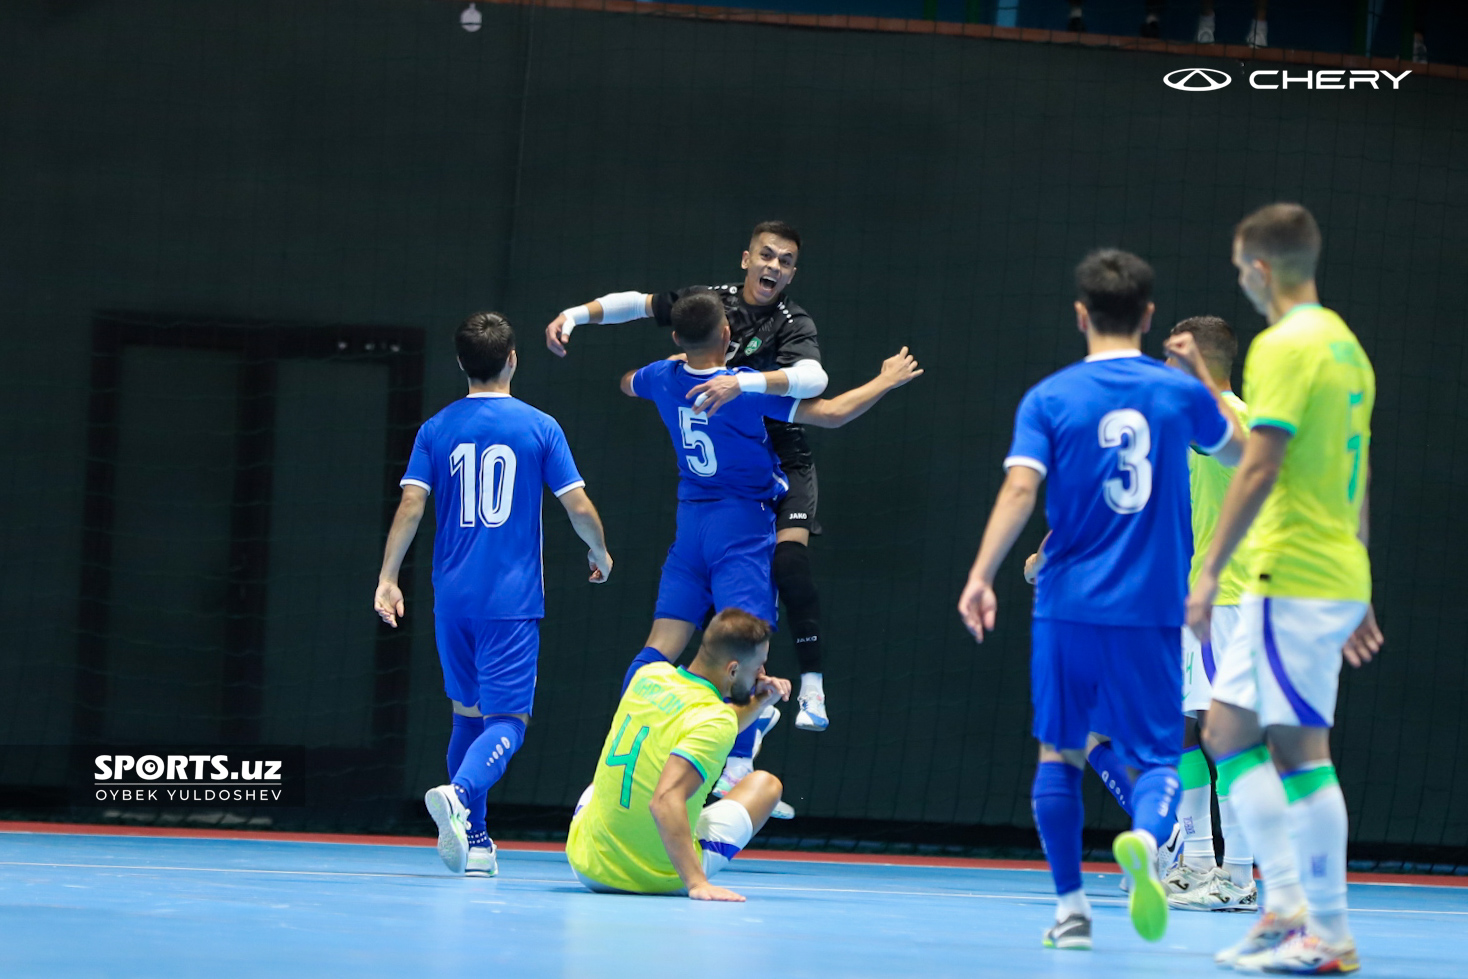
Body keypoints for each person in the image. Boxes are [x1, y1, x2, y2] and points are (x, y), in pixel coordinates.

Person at [957, 249, 1245, 950]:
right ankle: (1151, 838)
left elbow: (1022, 490)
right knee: (1157, 756)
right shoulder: (1180, 396)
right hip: (1153, 607)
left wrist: (980, 574)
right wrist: (1205, 387)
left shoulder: (1050, 397)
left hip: (1069, 602)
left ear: (1081, 315)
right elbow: (1244, 453)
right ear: (1150, 318)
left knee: (1061, 753)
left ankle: (1072, 911)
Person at [619, 290, 921, 805]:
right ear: (728, 336)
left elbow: (626, 383)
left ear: (676, 338)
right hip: (740, 528)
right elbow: (831, 413)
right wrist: (885, 381)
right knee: (745, 651)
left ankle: (624, 753)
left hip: (690, 526)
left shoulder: (661, 378)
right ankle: (737, 757)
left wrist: (669, 365)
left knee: (658, 649)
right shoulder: (742, 392)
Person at [1188, 203, 1382, 973]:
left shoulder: (1284, 345)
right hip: (1326, 572)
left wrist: (1208, 569)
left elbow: (1261, 463)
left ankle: (1323, 931)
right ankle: (1285, 910)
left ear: (1261, 270)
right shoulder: (1348, 349)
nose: (1243, 282)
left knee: (1301, 753)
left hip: (1291, 573)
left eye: (1241, 270)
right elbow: (1355, 473)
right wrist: (1362, 579)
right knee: (1227, 732)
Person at [546, 222, 834, 734]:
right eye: (766, 255)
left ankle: (807, 687)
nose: (773, 266)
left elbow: (814, 380)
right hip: (740, 494)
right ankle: (739, 751)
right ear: (745, 259)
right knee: (738, 643)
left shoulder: (781, 326)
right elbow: (640, 303)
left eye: (785, 261)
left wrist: (738, 381)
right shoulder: (712, 307)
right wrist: (574, 315)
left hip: (735, 481)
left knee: (778, 573)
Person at [374, 312, 613, 878]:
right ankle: (460, 797)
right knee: (509, 721)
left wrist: (388, 576)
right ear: (512, 359)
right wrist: (600, 551)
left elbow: (411, 505)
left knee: (466, 715)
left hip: (451, 595)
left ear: (461, 364)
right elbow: (577, 505)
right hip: (510, 600)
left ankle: (477, 841)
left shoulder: (435, 428)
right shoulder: (539, 427)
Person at [567, 608, 790, 899]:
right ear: (733, 670)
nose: (762, 673)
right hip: (661, 877)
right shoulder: (716, 720)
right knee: (766, 785)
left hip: (588, 867)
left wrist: (759, 701)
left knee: (602, 786)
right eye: (759, 665)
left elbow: (711, 722)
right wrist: (698, 884)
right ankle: (684, 864)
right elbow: (663, 801)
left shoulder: (648, 676)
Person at [1162, 316, 1258, 912]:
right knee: (1184, 729)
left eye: (1173, 359)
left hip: (1231, 602)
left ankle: (1240, 875)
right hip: (1198, 600)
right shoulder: (1204, 423)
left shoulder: (1227, 420)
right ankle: (1197, 863)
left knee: (1230, 740)